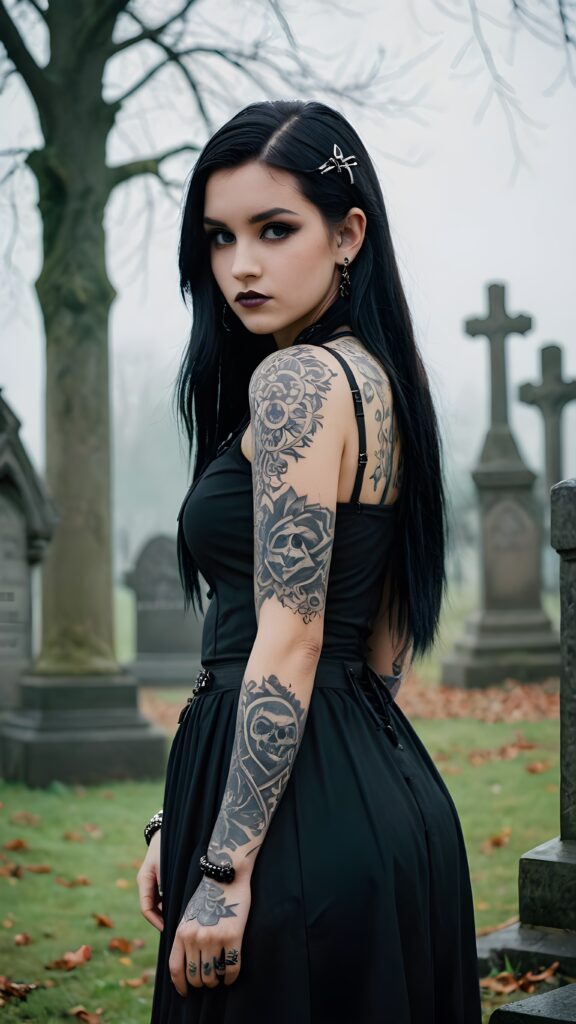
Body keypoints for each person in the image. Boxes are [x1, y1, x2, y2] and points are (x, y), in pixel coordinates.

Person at [137, 99, 483, 1023]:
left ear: (347, 233)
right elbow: (382, 647)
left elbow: (287, 643)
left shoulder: (294, 382)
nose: (240, 265)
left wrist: (223, 861)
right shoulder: (384, 384)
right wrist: (186, 815)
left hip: (287, 841)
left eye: (274, 228)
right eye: (218, 237)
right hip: (379, 794)